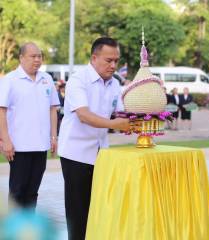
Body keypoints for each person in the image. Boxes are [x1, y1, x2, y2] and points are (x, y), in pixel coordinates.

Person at [58, 37, 130, 240]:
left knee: (98, 207)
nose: (113, 65)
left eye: (116, 60)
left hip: (101, 153)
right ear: (94, 57)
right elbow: (84, 115)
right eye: (109, 60)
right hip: (76, 154)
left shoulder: (115, 83)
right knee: (78, 212)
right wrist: (115, 124)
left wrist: (141, 117)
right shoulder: (78, 80)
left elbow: (121, 113)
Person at [0, 42, 59, 209]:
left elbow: (52, 109)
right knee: (18, 192)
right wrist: (5, 140)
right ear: (21, 58)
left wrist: (54, 137)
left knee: (33, 192)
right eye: (33, 56)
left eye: (39, 56)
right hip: (19, 147)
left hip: (41, 146)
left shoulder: (46, 79)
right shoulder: (10, 80)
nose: (37, 60)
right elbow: (1, 111)